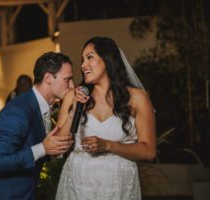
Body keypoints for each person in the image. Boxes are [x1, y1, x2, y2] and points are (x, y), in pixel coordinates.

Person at [55, 37, 156, 200]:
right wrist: (73, 112)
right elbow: (58, 148)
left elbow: (149, 151)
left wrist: (108, 145)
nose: (83, 65)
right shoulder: (73, 96)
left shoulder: (137, 98)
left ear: (108, 60)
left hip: (119, 184)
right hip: (78, 183)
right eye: (82, 60)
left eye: (90, 57)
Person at [0, 52, 75, 200]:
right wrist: (43, 148)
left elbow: (36, 150)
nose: (72, 85)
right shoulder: (17, 111)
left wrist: (54, 149)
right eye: (68, 79)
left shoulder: (41, 106)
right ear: (48, 79)